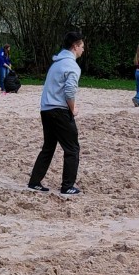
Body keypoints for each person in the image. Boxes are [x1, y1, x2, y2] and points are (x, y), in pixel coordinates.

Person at [27, 31, 85, 196]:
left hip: (46, 109)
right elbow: (69, 91)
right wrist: (73, 109)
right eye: (82, 46)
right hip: (59, 110)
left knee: (48, 147)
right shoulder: (72, 66)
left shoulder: (56, 63)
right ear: (75, 46)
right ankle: (67, 186)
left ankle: (35, 182)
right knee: (72, 148)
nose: (83, 49)